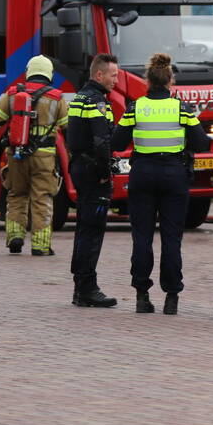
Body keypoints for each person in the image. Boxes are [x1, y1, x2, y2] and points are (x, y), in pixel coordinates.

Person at [112, 53, 209, 315]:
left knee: (142, 237)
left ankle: (142, 295)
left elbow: (117, 142)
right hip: (174, 175)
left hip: (142, 173)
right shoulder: (182, 108)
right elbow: (202, 142)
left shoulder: (135, 107)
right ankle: (172, 297)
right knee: (171, 237)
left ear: (148, 81)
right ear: (170, 81)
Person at [0, 55, 68, 255]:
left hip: (16, 154)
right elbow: (68, 126)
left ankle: (15, 238)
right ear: (49, 74)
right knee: (42, 199)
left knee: (16, 195)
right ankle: (40, 246)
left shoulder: (13, 93)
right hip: (44, 157)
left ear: (28, 72)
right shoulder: (57, 98)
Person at [67, 53, 120, 308]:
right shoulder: (97, 101)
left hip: (80, 166)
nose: (116, 80)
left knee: (83, 227)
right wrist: (104, 172)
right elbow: (101, 141)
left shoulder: (80, 96)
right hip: (92, 171)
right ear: (99, 74)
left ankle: (80, 285)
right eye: (113, 75)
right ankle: (88, 288)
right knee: (93, 229)